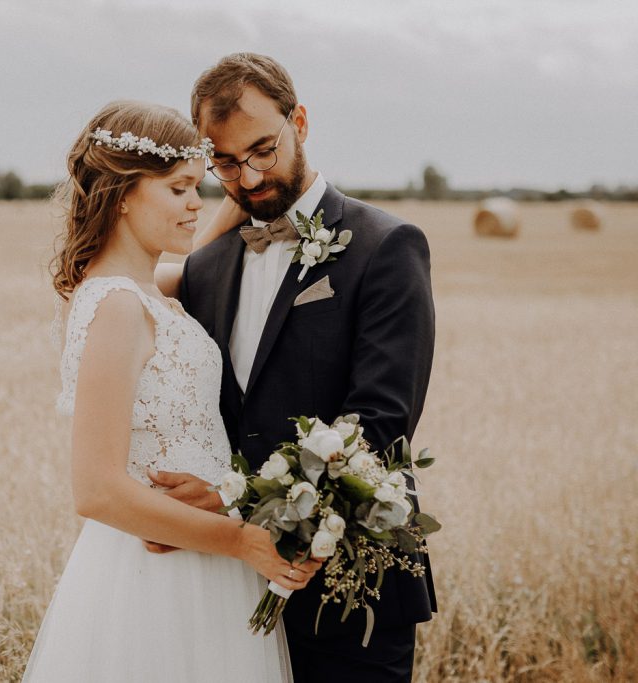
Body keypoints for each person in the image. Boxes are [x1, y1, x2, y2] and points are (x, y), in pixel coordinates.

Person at [147, 53, 438, 681]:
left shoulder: (386, 247)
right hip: (232, 590)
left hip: (351, 591)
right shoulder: (206, 267)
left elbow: (378, 425)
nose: (248, 178)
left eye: (262, 150)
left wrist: (232, 503)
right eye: (224, 161)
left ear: (299, 121)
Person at [21, 100, 322, 682]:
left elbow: (200, 257)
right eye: (180, 188)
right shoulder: (116, 307)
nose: (195, 203)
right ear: (123, 194)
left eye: (199, 186)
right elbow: (96, 490)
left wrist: (248, 178)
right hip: (157, 573)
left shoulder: (144, 288)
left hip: (203, 556)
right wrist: (243, 541)